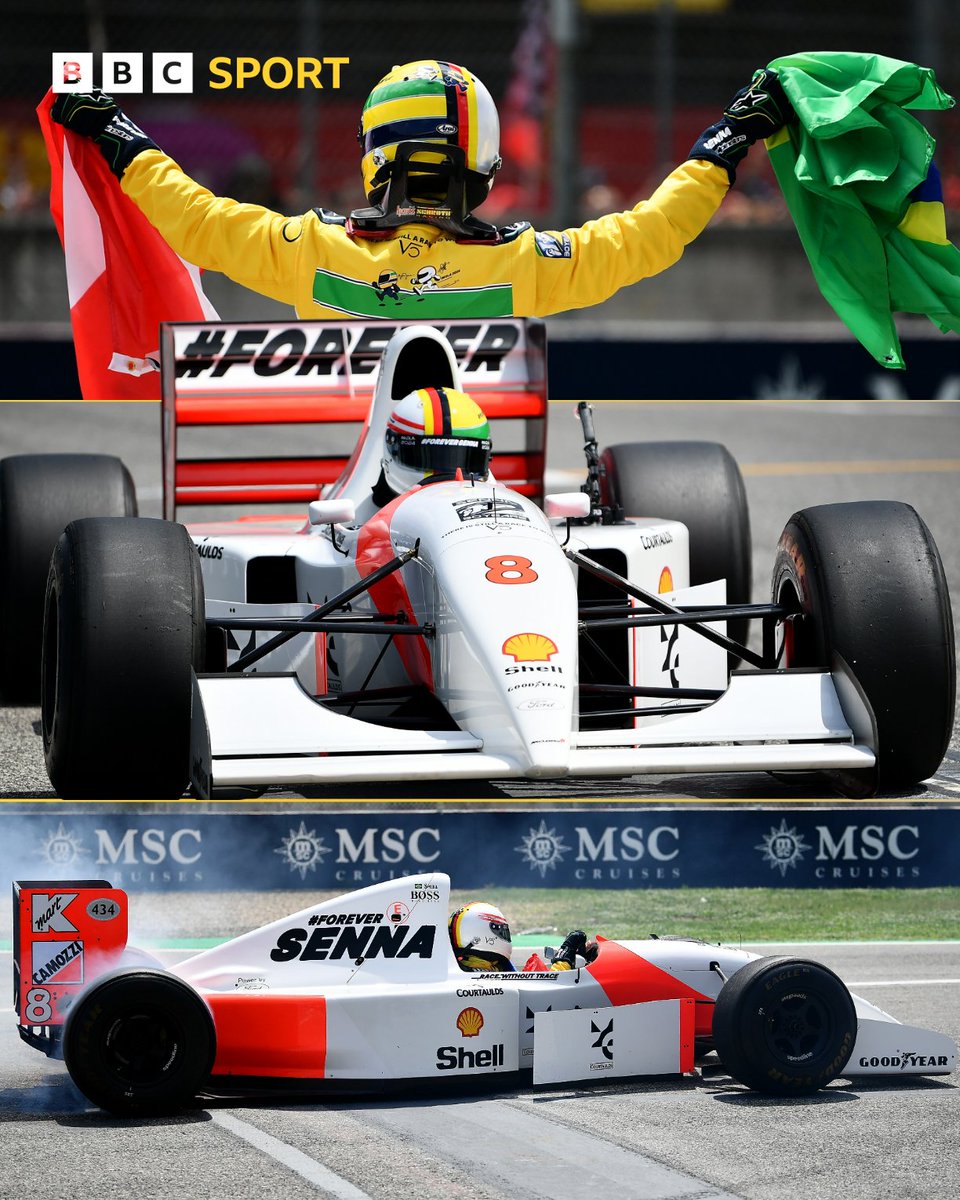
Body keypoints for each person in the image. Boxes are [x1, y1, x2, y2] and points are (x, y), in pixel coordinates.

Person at [50, 61, 790, 322]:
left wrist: (120, 132)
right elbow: (649, 235)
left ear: (381, 154)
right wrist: (723, 142)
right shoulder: (527, 262)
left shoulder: (309, 249)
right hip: (487, 503)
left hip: (352, 513)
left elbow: (195, 220)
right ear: (477, 156)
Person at [374, 385, 493, 505]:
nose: (446, 485)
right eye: (427, 457)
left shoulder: (495, 495)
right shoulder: (364, 518)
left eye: (459, 459)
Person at [449, 902, 598, 973]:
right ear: (479, 935)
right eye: (500, 930)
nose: (504, 936)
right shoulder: (476, 975)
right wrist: (563, 960)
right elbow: (539, 998)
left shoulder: (479, 967)